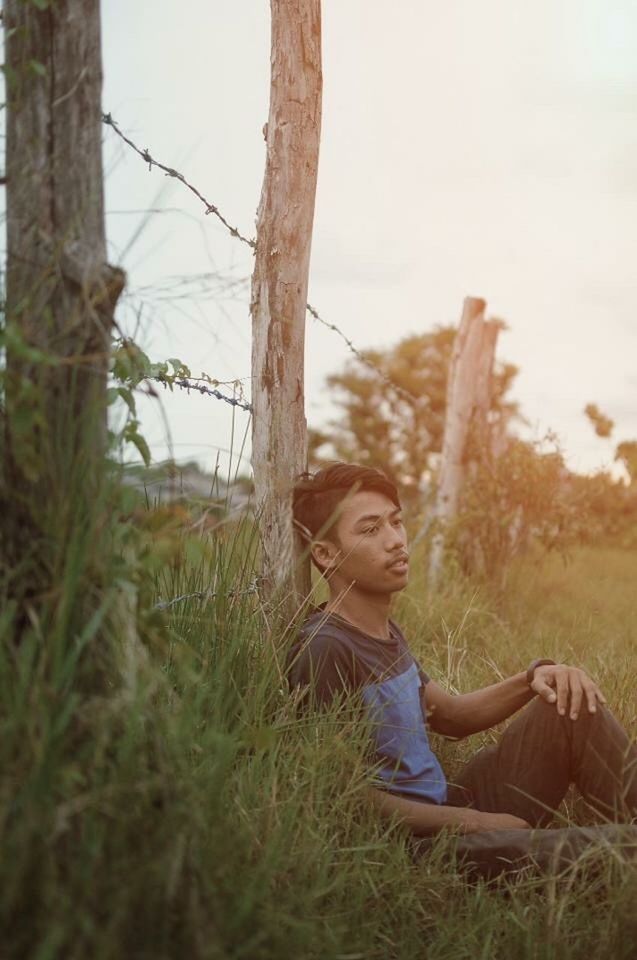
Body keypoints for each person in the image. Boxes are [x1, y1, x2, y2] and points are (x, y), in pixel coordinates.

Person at [288, 462, 637, 879]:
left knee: (569, 702)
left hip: (451, 805)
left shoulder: (381, 631)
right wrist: (477, 823)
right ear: (325, 554)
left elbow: (450, 717)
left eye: (396, 522)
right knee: (622, 851)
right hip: (420, 851)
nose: (395, 541)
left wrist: (537, 677)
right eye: (369, 530)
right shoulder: (326, 648)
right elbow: (344, 796)